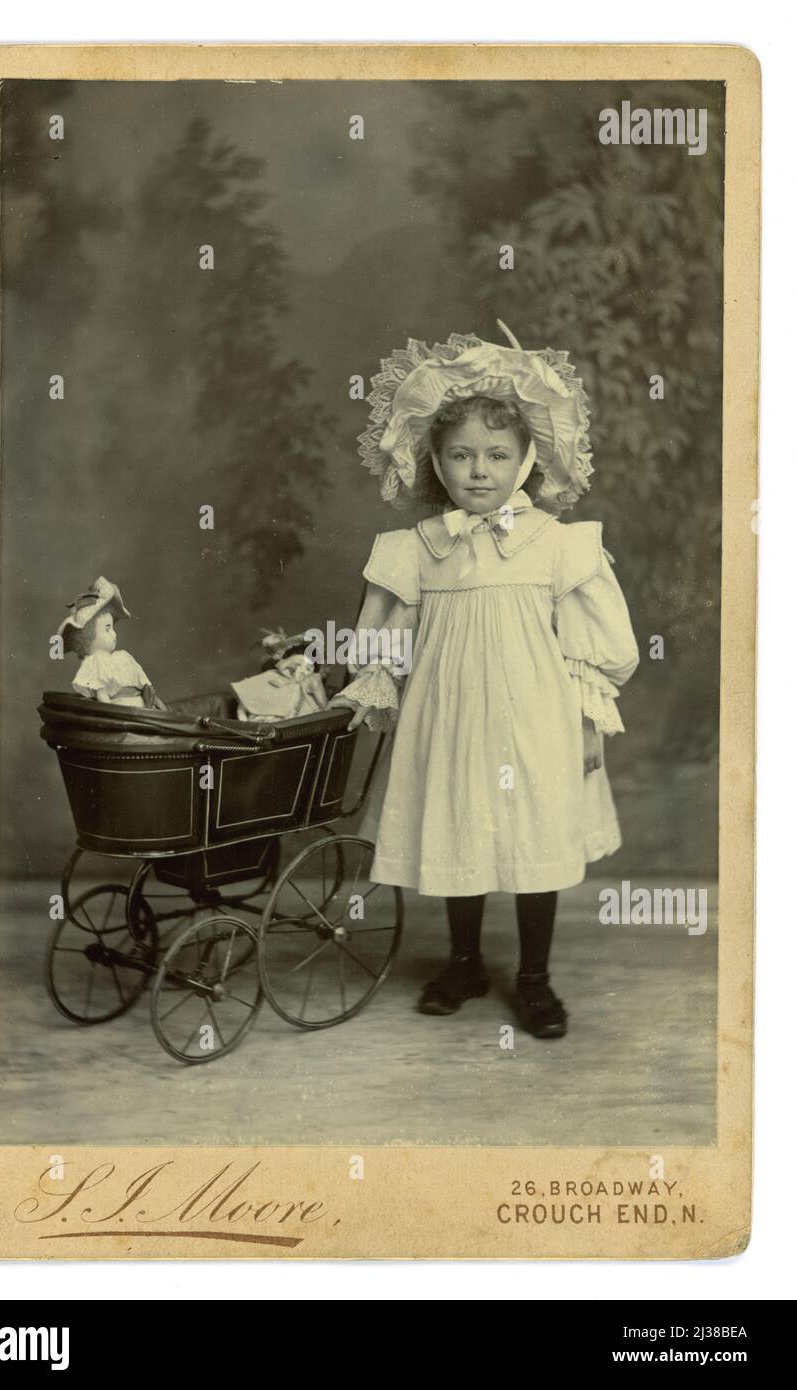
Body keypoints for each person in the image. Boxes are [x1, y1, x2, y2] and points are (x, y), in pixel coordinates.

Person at [329, 321, 639, 1038]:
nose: (479, 470)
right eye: (461, 455)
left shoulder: (560, 547)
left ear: (527, 459)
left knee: (534, 842)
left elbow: (590, 653)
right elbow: (380, 648)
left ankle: (533, 979)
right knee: (458, 832)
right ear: (435, 464)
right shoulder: (415, 550)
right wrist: (379, 692)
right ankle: (463, 961)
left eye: (497, 455)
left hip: (536, 721)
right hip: (450, 717)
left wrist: (587, 728)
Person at [56, 576, 166, 710]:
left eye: (113, 628)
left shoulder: (123, 657)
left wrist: (158, 706)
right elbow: (103, 699)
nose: (114, 634)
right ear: (89, 638)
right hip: (124, 713)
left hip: (144, 708)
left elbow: (145, 687)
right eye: (107, 629)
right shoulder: (96, 662)